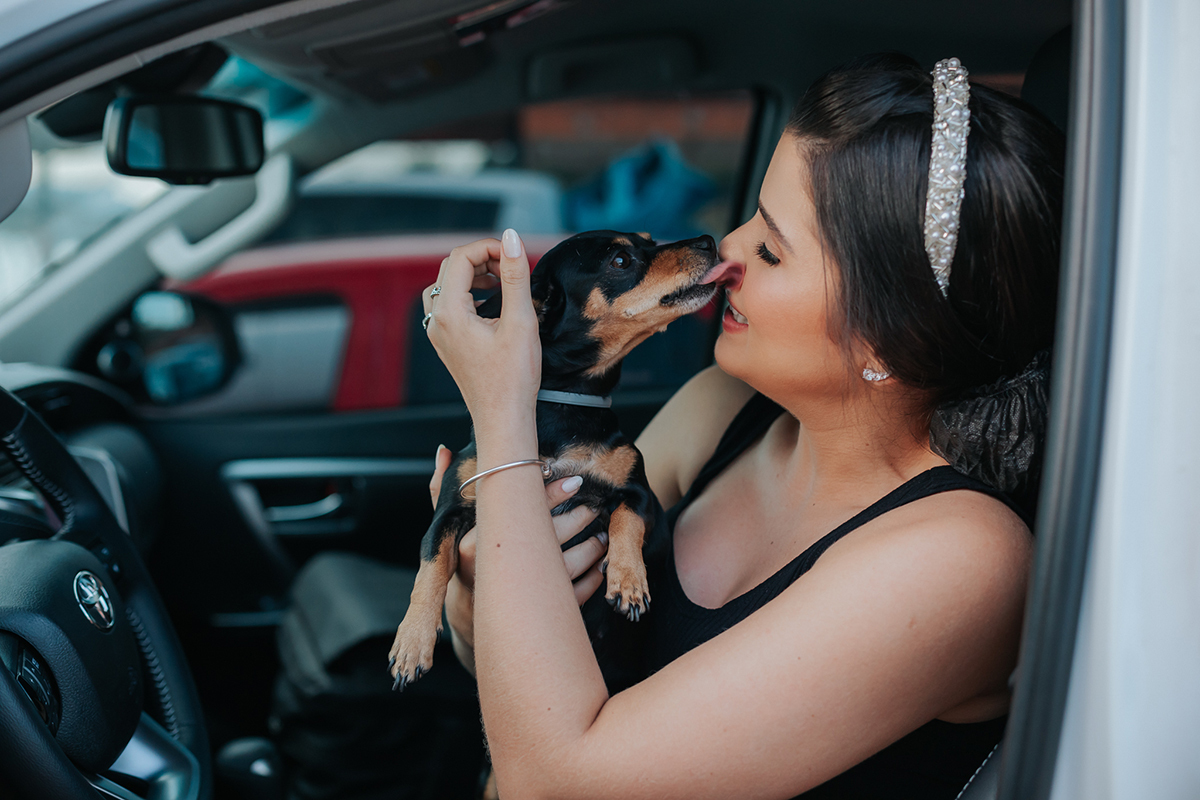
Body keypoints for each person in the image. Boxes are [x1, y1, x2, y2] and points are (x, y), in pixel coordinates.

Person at [416, 53, 1065, 799]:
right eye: (752, 213)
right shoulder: (719, 410)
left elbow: (554, 782)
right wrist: (472, 594)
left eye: (771, 248)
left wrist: (502, 411)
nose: (727, 247)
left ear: (887, 332)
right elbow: (521, 673)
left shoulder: (961, 559)